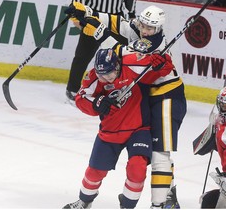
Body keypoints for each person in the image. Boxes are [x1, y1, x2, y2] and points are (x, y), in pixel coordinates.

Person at [64, 3, 187, 209]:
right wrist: (88, 13)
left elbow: (121, 53)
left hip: (166, 95)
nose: (145, 31)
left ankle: (162, 201)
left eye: (150, 28)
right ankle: (167, 193)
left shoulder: (155, 48)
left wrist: (97, 31)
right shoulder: (140, 31)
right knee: (155, 150)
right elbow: (119, 23)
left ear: (159, 29)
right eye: (143, 26)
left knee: (158, 152)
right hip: (146, 94)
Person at [62, 48, 175, 209]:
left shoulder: (133, 66)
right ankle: (84, 201)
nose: (106, 79)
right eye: (102, 76)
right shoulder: (94, 77)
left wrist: (161, 61)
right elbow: (81, 98)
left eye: (109, 74)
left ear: (117, 66)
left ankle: (127, 207)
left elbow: (163, 68)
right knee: (95, 171)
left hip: (139, 129)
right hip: (110, 131)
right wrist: (97, 103)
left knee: (137, 168)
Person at [65, 0, 137, 105]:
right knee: (83, 55)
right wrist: (78, 12)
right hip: (93, 17)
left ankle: (121, 89)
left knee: (122, 57)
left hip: (116, 20)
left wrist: (132, 13)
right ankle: (72, 89)